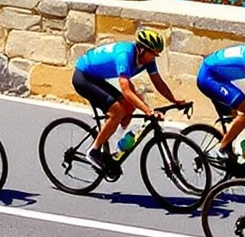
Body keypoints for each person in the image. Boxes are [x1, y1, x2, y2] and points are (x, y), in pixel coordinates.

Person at [72, 28, 189, 169]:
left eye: (156, 54)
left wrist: (174, 100)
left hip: (96, 77)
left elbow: (158, 82)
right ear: (142, 50)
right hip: (83, 77)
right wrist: (148, 110)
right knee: (117, 111)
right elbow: (126, 90)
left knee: (129, 106)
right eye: (153, 53)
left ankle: (114, 145)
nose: (154, 57)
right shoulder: (125, 55)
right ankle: (93, 151)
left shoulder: (148, 59)